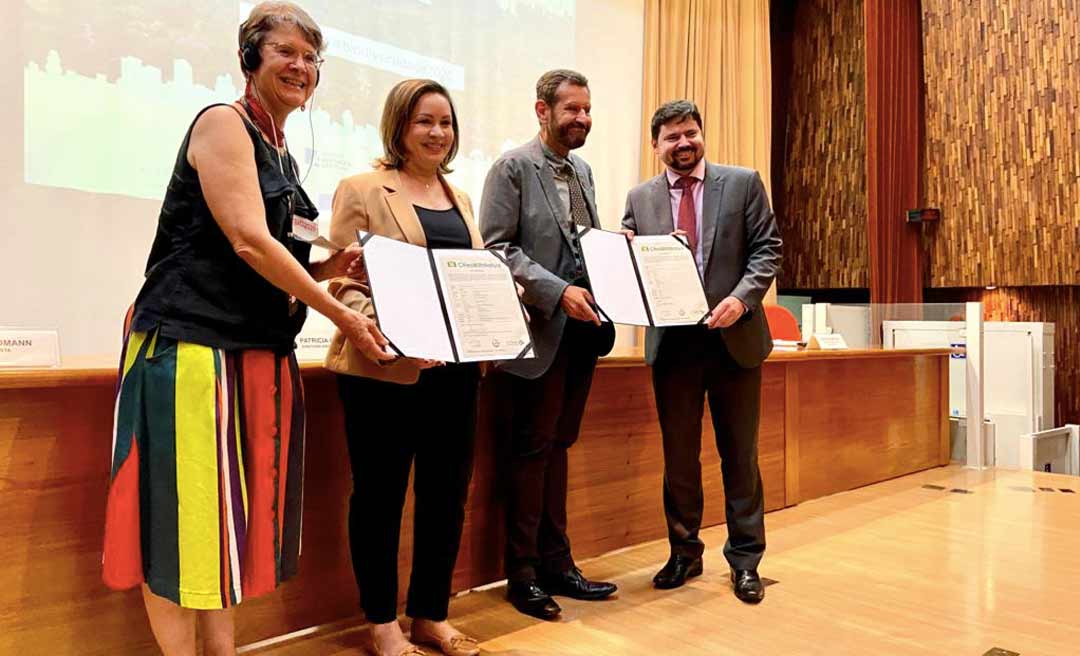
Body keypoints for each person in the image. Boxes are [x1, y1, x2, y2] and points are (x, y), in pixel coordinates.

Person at [101, 3, 391, 654]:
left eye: (312, 58)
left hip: (246, 355)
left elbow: (274, 249)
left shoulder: (280, 151)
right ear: (249, 58)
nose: (301, 66)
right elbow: (249, 241)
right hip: (189, 352)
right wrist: (339, 309)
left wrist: (331, 265)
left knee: (221, 531)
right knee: (180, 531)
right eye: (287, 51)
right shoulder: (223, 124)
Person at [323, 79, 482, 656]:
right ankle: (382, 625)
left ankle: (431, 617)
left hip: (455, 370)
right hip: (383, 372)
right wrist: (386, 334)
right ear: (399, 126)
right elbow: (339, 283)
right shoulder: (362, 188)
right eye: (423, 121)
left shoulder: (461, 199)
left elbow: (464, 279)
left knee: (447, 494)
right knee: (380, 497)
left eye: (445, 122)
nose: (437, 132)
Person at [621, 100, 782, 604]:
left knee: (740, 456)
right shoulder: (639, 198)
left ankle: (746, 560)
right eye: (671, 137)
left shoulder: (742, 182)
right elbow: (628, 263)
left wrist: (740, 299)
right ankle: (684, 553)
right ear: (656, 145)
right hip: (673, 347)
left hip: (734, 339)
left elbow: (768, 248)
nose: (683, 143)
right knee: (680, 459)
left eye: (690, 133)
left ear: (701, 135)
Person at [479, 69, 617, 620]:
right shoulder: (512, 167)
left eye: (587, 109)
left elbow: (587, 246)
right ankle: (523, 576)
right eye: (572, 110)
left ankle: (560, 566)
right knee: (530, 454)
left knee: (558, 449)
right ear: (543, 111)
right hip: (535, 337)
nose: (582, 119)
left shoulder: (582, 170)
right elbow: (497, 248)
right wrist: (558, 293)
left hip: (582, 336)